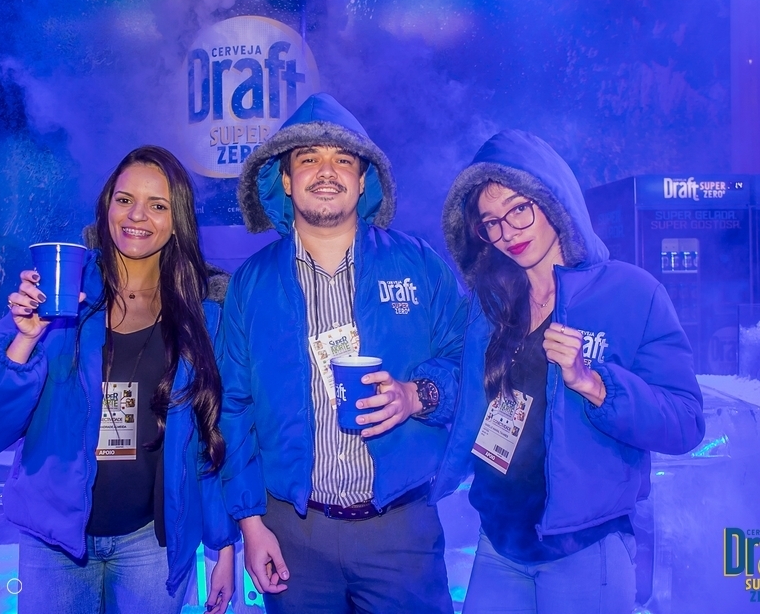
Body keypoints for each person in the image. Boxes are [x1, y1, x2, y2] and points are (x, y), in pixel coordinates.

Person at [0, 146, 237, 614]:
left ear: (177, 220)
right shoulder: (58, 291)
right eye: (125, 199)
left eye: (157, 205)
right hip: (55, 544)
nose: (137, 215)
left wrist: (223, 546)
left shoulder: (201, 313)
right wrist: (24, 339)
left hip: (152, 545)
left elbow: (210, 437)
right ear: (106, 206)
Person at [431, 130, 706, 614]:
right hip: (498, 541)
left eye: (519, 209)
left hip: (583, 550)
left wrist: (595, 385)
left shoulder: (632, 293)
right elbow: (471, 397)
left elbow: (685, 422)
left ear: (553, 201)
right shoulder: (491, 303)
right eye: (491, 222)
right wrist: (419, 395)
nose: (508, 232)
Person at [218, 93, 465, 613]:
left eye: (343, 160)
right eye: (309, 158)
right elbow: (232, 408)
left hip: (401, 532)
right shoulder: (251, 284)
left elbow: (468, 361)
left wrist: (417, 395)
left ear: (364, 179)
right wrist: (251, 524)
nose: (326, 171)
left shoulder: (419, 265)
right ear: (286, 180)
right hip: (292, 535)